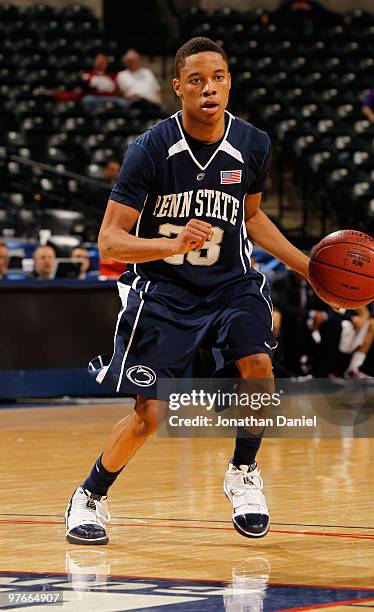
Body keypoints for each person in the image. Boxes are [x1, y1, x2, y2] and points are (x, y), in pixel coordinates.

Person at [65, 37, 310, 546]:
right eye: (196, 80)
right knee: (149, 415)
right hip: (163, 290)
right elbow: (109, 239)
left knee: (259, 368)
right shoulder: (151, 149)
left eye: (218, 77)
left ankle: (243, 471)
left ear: (229, 82)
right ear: (177, 88)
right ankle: (90, 495)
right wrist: (167, 241)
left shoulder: (253, 144)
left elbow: (253, 216)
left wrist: (307, 267)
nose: (209, 87)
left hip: (231, 286)